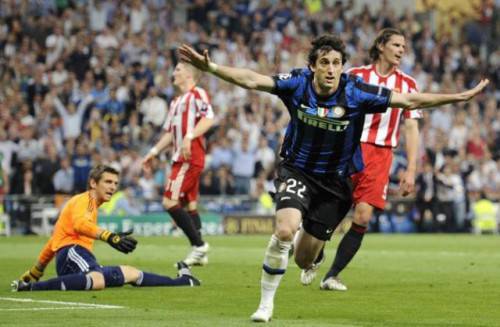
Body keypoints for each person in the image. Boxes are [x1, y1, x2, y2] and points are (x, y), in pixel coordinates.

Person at [178, 34, 488, 322]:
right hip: (298, 170)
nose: (331, 69)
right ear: (312, 65)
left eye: (336, 63)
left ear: (343, 66)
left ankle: (311, 245)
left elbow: (409, 101)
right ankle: (265, 303)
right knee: (284, 230)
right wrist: (212, 67)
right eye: (324, 62)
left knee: (303, 259)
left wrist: (459, 97)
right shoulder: (297, 84)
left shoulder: (355, 91)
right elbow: (252, 80)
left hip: (336, 185)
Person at [304, 28, 423, 291]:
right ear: (381, 46)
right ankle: (317, 248)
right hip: (348, 148)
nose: (402, 50)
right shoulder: (355, 76)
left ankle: (332, 275)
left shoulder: (409, 84)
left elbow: (412, 127)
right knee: (330, 206)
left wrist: (411, 169)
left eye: (404, 46)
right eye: (396, 44)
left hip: (381, 154)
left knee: (363, 216)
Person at [11, 165, 200, 292]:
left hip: (76, 256)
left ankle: (183, 281)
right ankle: (31, 289)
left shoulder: (89, 204)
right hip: (72, 252)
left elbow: (54, 240)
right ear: (94, 183)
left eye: (115, 183)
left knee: (130, 273)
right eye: (108, 182)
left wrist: (37, 270)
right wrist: (109, 236)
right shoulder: (85, 200)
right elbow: (80, 225)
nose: (113, 187)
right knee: (97, 279)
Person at [142, 62, 215, 266]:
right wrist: (153, 152)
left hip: (189, 157)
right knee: (190, 204)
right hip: (179, 156)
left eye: (178, 70)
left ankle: (199, 246)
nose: (174, 73)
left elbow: (209, 118)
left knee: (169, 202)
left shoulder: (197, 93)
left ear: (190, 75)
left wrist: (190, 136)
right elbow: (169, 133)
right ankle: (201, 255)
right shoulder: (175, 102)